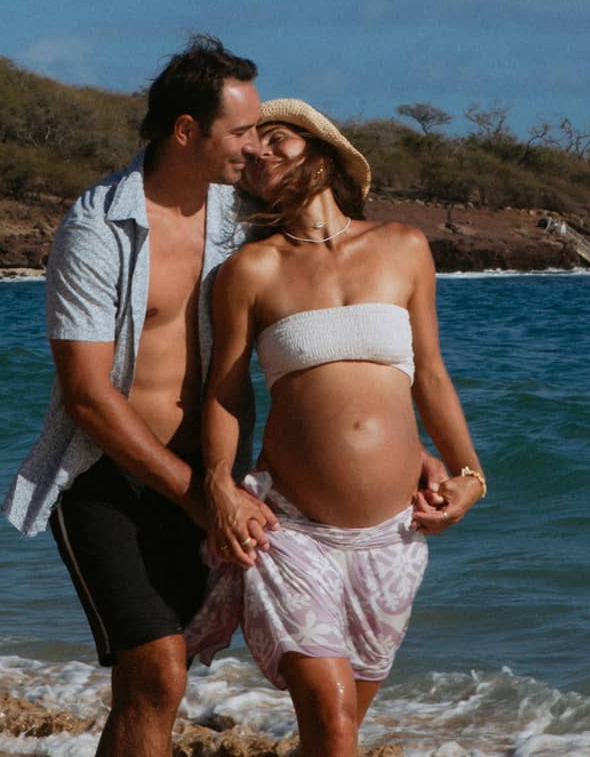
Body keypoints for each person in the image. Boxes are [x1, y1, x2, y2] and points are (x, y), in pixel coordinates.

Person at [2, 36, 280, 757]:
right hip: (106, 477)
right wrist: (200, 499)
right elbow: (88, 396)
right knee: (156, 671)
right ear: (187, 131)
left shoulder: (239, 223)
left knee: (164, 674)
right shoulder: (96, 227)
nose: (253, 147)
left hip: (207, 473)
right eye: (241, 131)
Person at [189, 98, 485, 757]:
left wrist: (472, 476)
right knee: (329, 717)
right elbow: (227, 393)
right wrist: (220, 485)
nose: (263, 149)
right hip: (291, 531)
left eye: (278, 137)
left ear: (320, 152)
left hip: (393, 537)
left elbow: (430, 376)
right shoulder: (250, 271)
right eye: (252, 148)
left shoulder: (403, 246)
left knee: (341, 729)